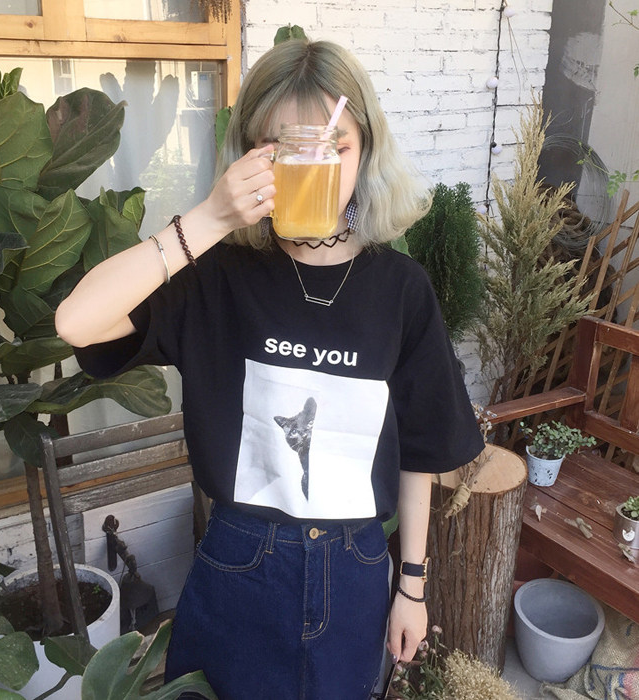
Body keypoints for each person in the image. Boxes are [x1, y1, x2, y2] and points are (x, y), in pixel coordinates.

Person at [56, 39, 484, 700]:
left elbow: (421, 450)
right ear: (250, 156)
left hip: (357, 567)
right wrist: (209, 218)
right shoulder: (217, 276)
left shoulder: (402, 288)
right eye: (285, 150)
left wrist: (413, 587)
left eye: (334, 146)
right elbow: (76, 322)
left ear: (365, 152)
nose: (314, 167)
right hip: (240, 561)